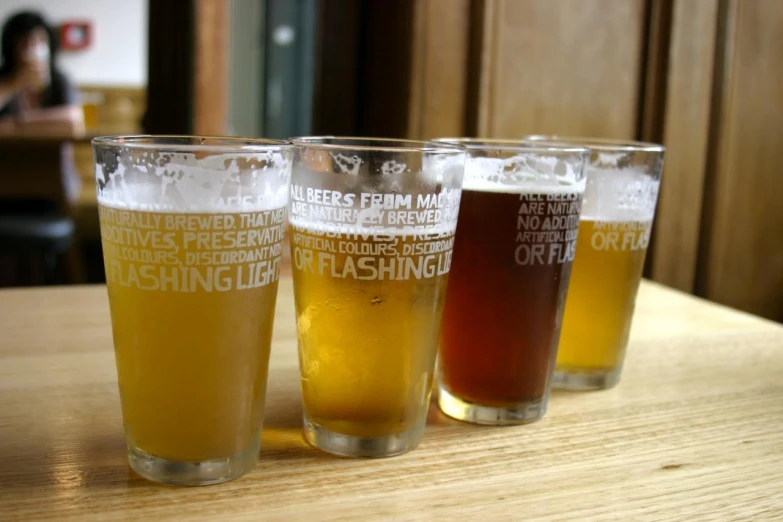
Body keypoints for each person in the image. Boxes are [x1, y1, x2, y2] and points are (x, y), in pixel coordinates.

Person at [0, 11, 84, 135]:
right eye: (25, 41)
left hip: (51, 152)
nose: (33, 48)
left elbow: (73, 122)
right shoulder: (3, 77)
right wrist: (14, 83)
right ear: (11, 46)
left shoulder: (58, 79)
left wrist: (14, 124)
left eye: (40, 41)